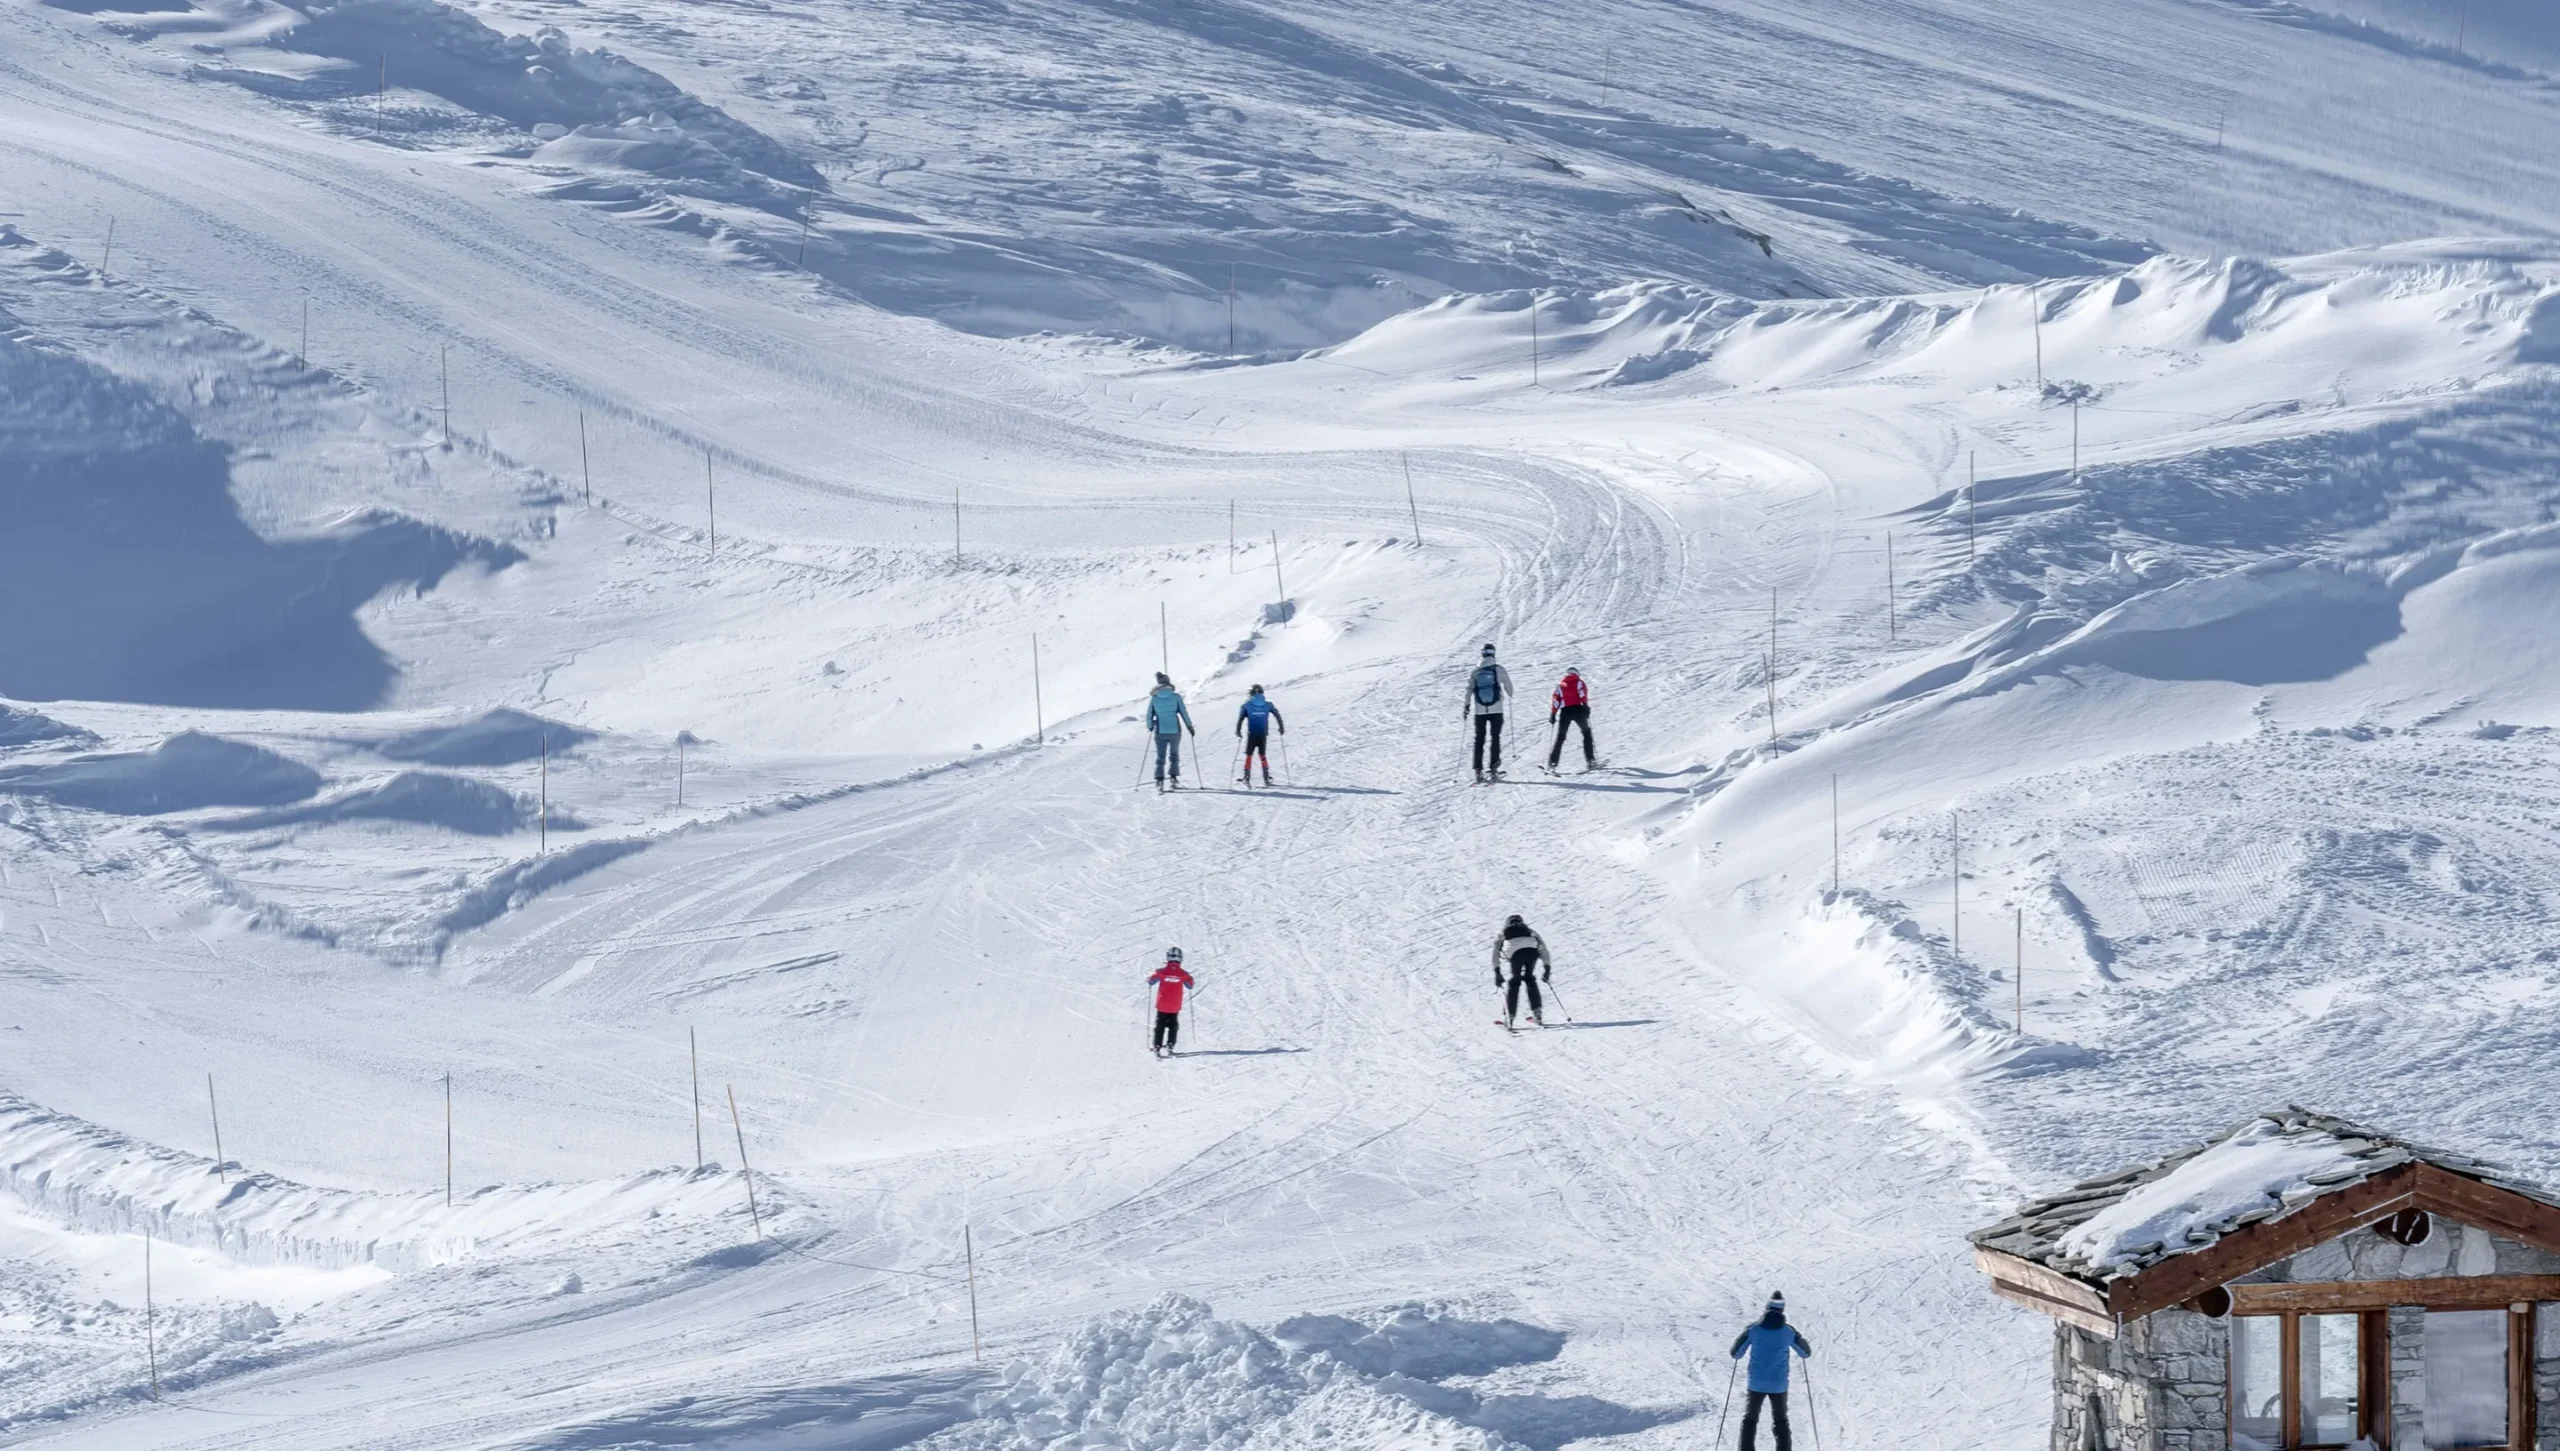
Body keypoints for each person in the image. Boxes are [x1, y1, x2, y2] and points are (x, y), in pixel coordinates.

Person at [1729, 1292, 1813, 1450]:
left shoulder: (1754, 1330)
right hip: (1778, 1384)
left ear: (1767, 1308)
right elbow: (1805, 1353)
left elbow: (1736, 1353)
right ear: (1782, 1310)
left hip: (1756, 1383)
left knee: (1750, 1419)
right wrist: (1797, 1336)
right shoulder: (1788, 1331)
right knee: (1780, 1420)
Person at [1463, 644, 1514, 781]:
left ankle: (1478, 770)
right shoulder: (1499, 669)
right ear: (1493, 654)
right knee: (1495, 738)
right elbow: (1509, 688)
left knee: (1479, 739)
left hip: (1479, 710)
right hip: (1496, 709)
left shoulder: (1475, 671)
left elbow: (1469, 689)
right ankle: (1493, 768)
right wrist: (1509, 694)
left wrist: (1467, 705)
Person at [1491, 914, 1549, 1028]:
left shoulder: (1503, 932)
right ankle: (1538, 1014)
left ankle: (1509, 1017)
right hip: (1532, 952)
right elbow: (1542, 947)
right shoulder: (1529, 931)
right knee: (1530, 979)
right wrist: (1547, 967)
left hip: (1514, 954)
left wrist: (1497, 972)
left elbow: (1496, 951)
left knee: (1515, 982)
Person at [1146, 673, 1195, 789]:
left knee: (1160, 756)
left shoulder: (1154, 698)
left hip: (1160, 731)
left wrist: (1150, 726)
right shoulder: (1176, 697)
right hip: (1175, 730)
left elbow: (1149, 715)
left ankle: (1159, 780)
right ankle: (1173, 778)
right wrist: (1189, 726)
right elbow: (1183, 712)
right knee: (1174, 754)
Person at [1547, 667, 1595, 773]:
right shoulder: (1579, 682)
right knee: (1586, 733)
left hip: (1565, 712)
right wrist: (1586, 706)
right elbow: (1583, 695)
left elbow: (1556, 700)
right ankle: (1590, 760)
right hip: (1578, 710)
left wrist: (1553, 713)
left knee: (1560, 737)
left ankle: (1553, 763)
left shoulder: (1560, 685)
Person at [1148, 948, 1194, 1057]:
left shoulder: (1161, 972)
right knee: (1173, 1026)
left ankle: (1157, 1046)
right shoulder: (1183, 974)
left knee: (1160, 1026)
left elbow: (1151, 981)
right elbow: (1190, 985)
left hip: (1162, 1004)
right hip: (1174, 1006)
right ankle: (1170, 1045)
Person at [1236, 685, 1285, 786]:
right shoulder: (1268, 705)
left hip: (1252, 734)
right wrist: (1281, 726)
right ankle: (1266, 777)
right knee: (1262, 754)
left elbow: (1241, 718)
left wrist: (1238, 730)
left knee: (1249, 754)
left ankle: (1247, 777)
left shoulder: (1247, 705)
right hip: (1263, 734)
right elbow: (1277, 714)